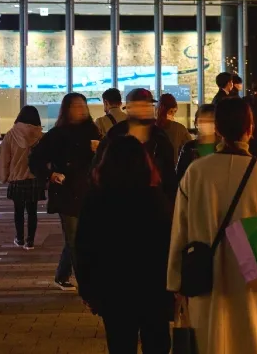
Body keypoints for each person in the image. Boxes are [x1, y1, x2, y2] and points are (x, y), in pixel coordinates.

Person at [167, 97, 257, 354]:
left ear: (217, 129)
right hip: (253, 273)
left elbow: (180, 229)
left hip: (204, 275)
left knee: (211, 339)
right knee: (253, 337)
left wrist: (175, 280)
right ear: (250, 129)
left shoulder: (196, 172)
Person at [75, 135, 173, 354]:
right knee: (157, 343)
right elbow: (167, 245)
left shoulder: (96, 199)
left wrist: (88, 289)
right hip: (152, 287)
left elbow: (84, 247)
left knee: (120, 344)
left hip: (113, 288)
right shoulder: (155, 199)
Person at [29, 92, 101, 291]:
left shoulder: (93, 131)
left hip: (89, 191)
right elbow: (35, 159)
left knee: (82, 237)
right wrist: (50, 174)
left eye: (83, 105)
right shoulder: (57, 134)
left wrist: (100, 149)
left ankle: (62, 275)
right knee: (74, 238)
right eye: (75, 106)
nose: (80, 110)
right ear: (66, 110)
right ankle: (85, 282)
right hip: (66, 191)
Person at [97, 89, 178, 197]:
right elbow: (98, 171)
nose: (145, 110)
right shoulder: (114, 135)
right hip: (119, 200)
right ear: (129, 108)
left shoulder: (160, 138)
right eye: (140, 105)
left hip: (153, 201)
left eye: (148, 105)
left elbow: (169, 176)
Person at [0, 106, 45, 250]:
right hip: (34, 178)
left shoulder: (11, 135)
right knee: (32, 211)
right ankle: (30, 241)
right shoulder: (40, 136)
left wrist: (4, 176)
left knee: (18, 211)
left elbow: (3, 157)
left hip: (17, 178)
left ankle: (20, 238)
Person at [175, 104, 217, 183]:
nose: (206, 124)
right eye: (202, 121)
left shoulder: (222, 147)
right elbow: (180, 175)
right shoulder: (188, 148)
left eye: (210, 121)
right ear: (196, 123)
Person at [156, 93, 190, 165]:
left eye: (174, 112)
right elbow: (190, 147)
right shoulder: (179, 129)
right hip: (173, 168)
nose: (173, 115)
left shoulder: (150, 128)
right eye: (171, 111)